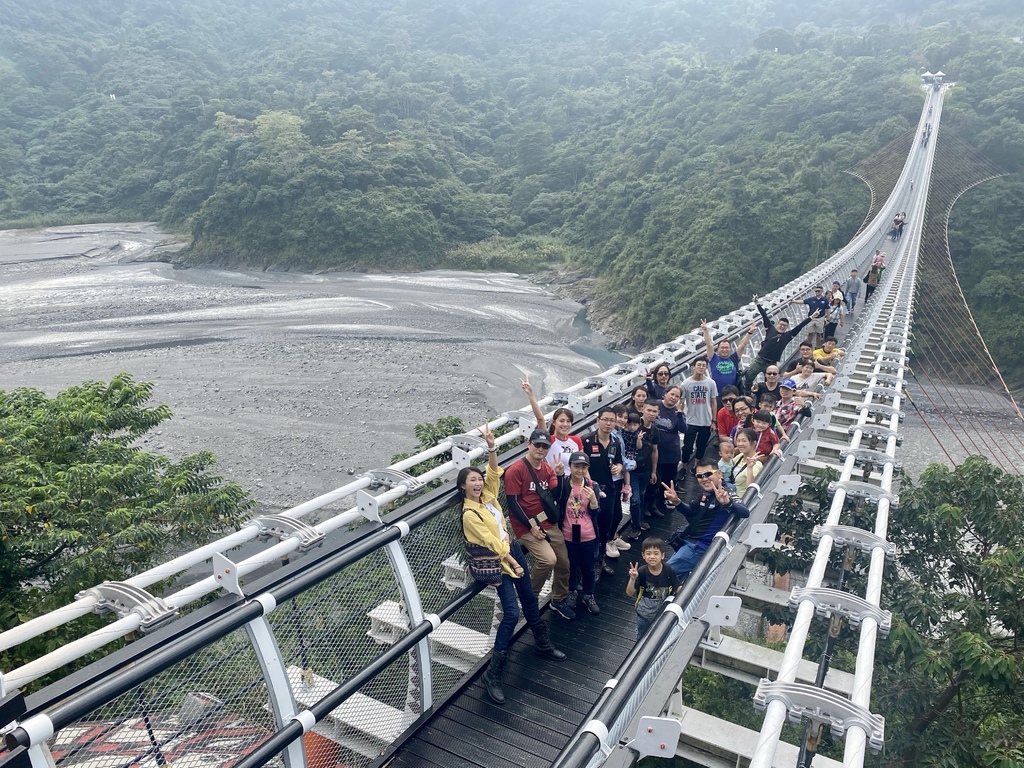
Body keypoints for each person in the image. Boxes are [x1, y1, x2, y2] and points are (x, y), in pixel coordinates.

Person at [460, 424, 566, 706]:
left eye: (478, 479)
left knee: (529, 600)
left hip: (513, 552)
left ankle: (542, 644)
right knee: (510, 613)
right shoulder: (470, 514)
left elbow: (494, 473)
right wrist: (513, 563)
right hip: (501, 563)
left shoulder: (489, 498)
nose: (478, 483)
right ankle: (493, 673)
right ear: (463, 487)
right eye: (472, 481)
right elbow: (491, 543)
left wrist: (492, 447)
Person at [503, 428, 575, 620]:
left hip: (548, 523)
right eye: (537, 445)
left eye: (545, 447)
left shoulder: (546, 469)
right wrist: (530, 526)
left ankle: (558, 600)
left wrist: (560, 476)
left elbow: (558, 495)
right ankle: (529, 597)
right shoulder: (516, 470)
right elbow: (513, 502)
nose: (541, 449)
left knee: (563, 563)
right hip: (527, 526)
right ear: (529, 444)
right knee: (548, 560)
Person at [661, 463, 750, 580]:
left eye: (708, 474)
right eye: (700, 476)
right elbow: (692, 513)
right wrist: (677, 501)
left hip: (698, 547)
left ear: (719, 473)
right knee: (676, 578)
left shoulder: (725, 491)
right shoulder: (706, 493)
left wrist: (728, 502)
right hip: (691, 543)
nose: (704, 479)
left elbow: (745, 512)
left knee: (662, 575)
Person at [555, 452, 602, 616]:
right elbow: (556, 501)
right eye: (576, 466)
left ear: (587, 468)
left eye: (583, 467)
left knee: (589, 568)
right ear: (571, 466)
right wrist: (559, 475)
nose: (580, 470)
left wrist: (595, 502)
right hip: (568, 535)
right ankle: (572, 591)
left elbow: (596, 514)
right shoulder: (564, 484)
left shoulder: (592, 486)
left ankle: (589, 595)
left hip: (588, 535)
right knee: (571, 566)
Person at [582, 407, 624, 579]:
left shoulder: (615, 442)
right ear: (597, 421)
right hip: (591, 492)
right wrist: (592, 487)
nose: (608, 423)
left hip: (610, 490)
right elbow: (582, 467)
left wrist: (618, 467)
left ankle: (600, 559)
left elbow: (620, 462)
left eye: (611, 420)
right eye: (605, 419)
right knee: (591, 528)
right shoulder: (586, 441)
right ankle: (588, 564)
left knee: (608, 525)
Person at [745, 296, 819, 388]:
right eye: (781, 324)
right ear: (777, 324)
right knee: (748, 376)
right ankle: (747, 393)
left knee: (770, 381)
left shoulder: (788, 336)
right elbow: (764, 316)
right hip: (760, 359)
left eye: (785, 326)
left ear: (787, 327)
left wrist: (811, 317)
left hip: (772, 362)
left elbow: (800, 326)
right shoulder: (770, 329)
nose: (782, 326)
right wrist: (757, 304)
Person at [522, 378, 581, 476]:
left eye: (568, 421)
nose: (565, 424)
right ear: (554, 422)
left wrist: (590, 484)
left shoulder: (576, 440)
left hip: (576, 485)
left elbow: (582, 467)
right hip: (557, 484)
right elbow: (540, 419)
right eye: (561, 421)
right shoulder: (550, 441)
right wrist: (531, 394)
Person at [626, 538, 680, 641]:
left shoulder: (668, 570)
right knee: (641, 638)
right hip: (644, 615)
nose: (652, 557)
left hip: (663, 614)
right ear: (643, 555)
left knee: (661, 637)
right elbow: (629, 592)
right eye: (648, 553)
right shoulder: (642, 572)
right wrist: (633, 579)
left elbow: (678, 586)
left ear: (662, 555)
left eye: (656, 553)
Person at [652, 386, 687, 517]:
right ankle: (655, 502)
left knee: (669, 477)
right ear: (665, 394)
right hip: (656, 450)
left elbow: (684, 429)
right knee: (656, 477)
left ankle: (667, 498)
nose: (673, 398)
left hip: (671, 450)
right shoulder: (656, 405)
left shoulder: (677, 412)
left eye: (676, 396)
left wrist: (680, 417)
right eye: (671, 394)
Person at [628, 401, 661, 539]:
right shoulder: (634, 425)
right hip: (633, 470)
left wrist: (653, 471)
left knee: (641, 494)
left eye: (654, 411)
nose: (651, 414)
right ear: (642, 410)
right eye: (649, 410)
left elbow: (654, 451)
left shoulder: (654, 430)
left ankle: (638, 519)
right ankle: (635, 526)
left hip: (645, 469)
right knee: (634, 498)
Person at [701, 319, 754, 401]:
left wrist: (750, 332)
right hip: (717, 395)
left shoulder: (734, 358)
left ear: (730, 349)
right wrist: (705, 330)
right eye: (722, 348)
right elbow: (709, 344)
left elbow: (742, 345)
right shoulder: (714, 358)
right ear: (718, 349)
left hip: (733, 395)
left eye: (727, 348)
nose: (724, 350)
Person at [679, 358, 718, 468]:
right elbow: (681, 403)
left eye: (704, 365)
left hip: (706, 420)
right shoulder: (686, 383)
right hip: (691, 420)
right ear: (693, 367)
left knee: (702, 446)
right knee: (687, 447)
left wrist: (714, 421)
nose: (701, 367)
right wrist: (679, 420)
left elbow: (713, 402)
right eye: (699, 365)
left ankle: (697, 466)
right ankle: (684, 466)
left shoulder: (710, 383)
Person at [731, 429, 763, 497]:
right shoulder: (740, 456)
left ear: (754, 443)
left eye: (744, 441)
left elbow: (751, 489)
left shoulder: (757, 465)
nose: (740, 444)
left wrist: (750, 468)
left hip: (740, 500)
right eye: (738, 441)